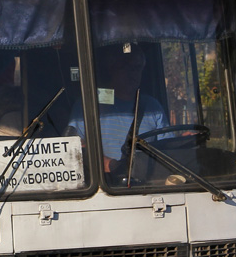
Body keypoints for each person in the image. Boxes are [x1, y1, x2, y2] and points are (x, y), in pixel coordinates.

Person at [68, 44, 166, 174]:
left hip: (146, 183)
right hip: (102, 185)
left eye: (137, 68)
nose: (133, 73)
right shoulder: (89, 103)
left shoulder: (153, 107)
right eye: (126, 67)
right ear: (111, 69)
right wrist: (109, 165)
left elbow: (166, 147)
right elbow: (75, 144)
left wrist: (184, 140)